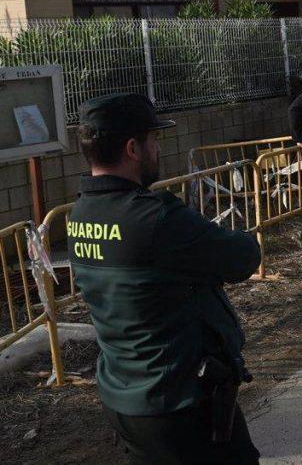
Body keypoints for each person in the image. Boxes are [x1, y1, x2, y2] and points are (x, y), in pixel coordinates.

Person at [67, 93, 262, 464]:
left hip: (124, 395)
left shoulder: (80, 213)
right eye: (153, 139)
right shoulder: (156, 219)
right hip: (180, 402)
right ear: (132, 148)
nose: (158, 148)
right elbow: (243, 258)